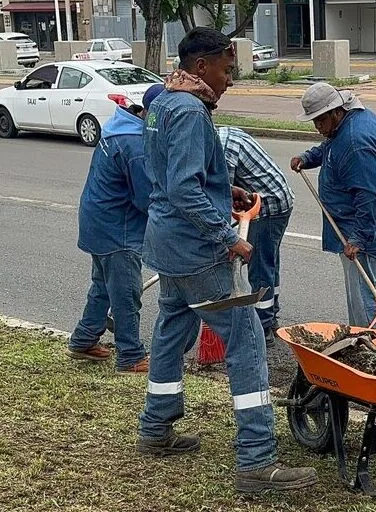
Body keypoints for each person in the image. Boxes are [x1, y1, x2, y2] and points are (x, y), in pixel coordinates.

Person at [137, 27, 317, 493]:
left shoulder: (161, 103)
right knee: (247, 341)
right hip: (197, 252)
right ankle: (256, 462)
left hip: (165, 246)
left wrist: (226, 190)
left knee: (172, 329)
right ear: (202, 66)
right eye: (227, 68)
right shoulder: (192, 112)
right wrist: (226, 235)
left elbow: (171, 175)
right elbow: (182, 187)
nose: (230, 79)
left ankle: (155, 429)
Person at [66, 84, 165, 373]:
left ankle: (83, 340)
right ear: (153, 114)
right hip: (116, 229)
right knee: (126, 291)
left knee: (103, 286)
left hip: (98, 220)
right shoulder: (134, 145)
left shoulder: (121, 127)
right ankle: (131, 355)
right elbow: (147, 199)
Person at [291, 83, 376, 329]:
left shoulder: (356, 141)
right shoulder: (345, 126)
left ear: (336, 111)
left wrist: (358, 239)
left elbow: (368, 196)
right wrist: (309, 158)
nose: (317, 128)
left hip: (370, 234)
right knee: (367, 296)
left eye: (320, 121)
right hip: (359, 230)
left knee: (366, 303)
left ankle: (374, 349)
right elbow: (331, 149)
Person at [217, 125, 294, 344]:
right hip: (278, 201)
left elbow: (222, 196)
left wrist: (226, 239)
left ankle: (263, 328)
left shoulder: (222, 148)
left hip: (266, 206)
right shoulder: (224, 133)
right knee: (269, 262)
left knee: (259, 267)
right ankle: (271, 315)